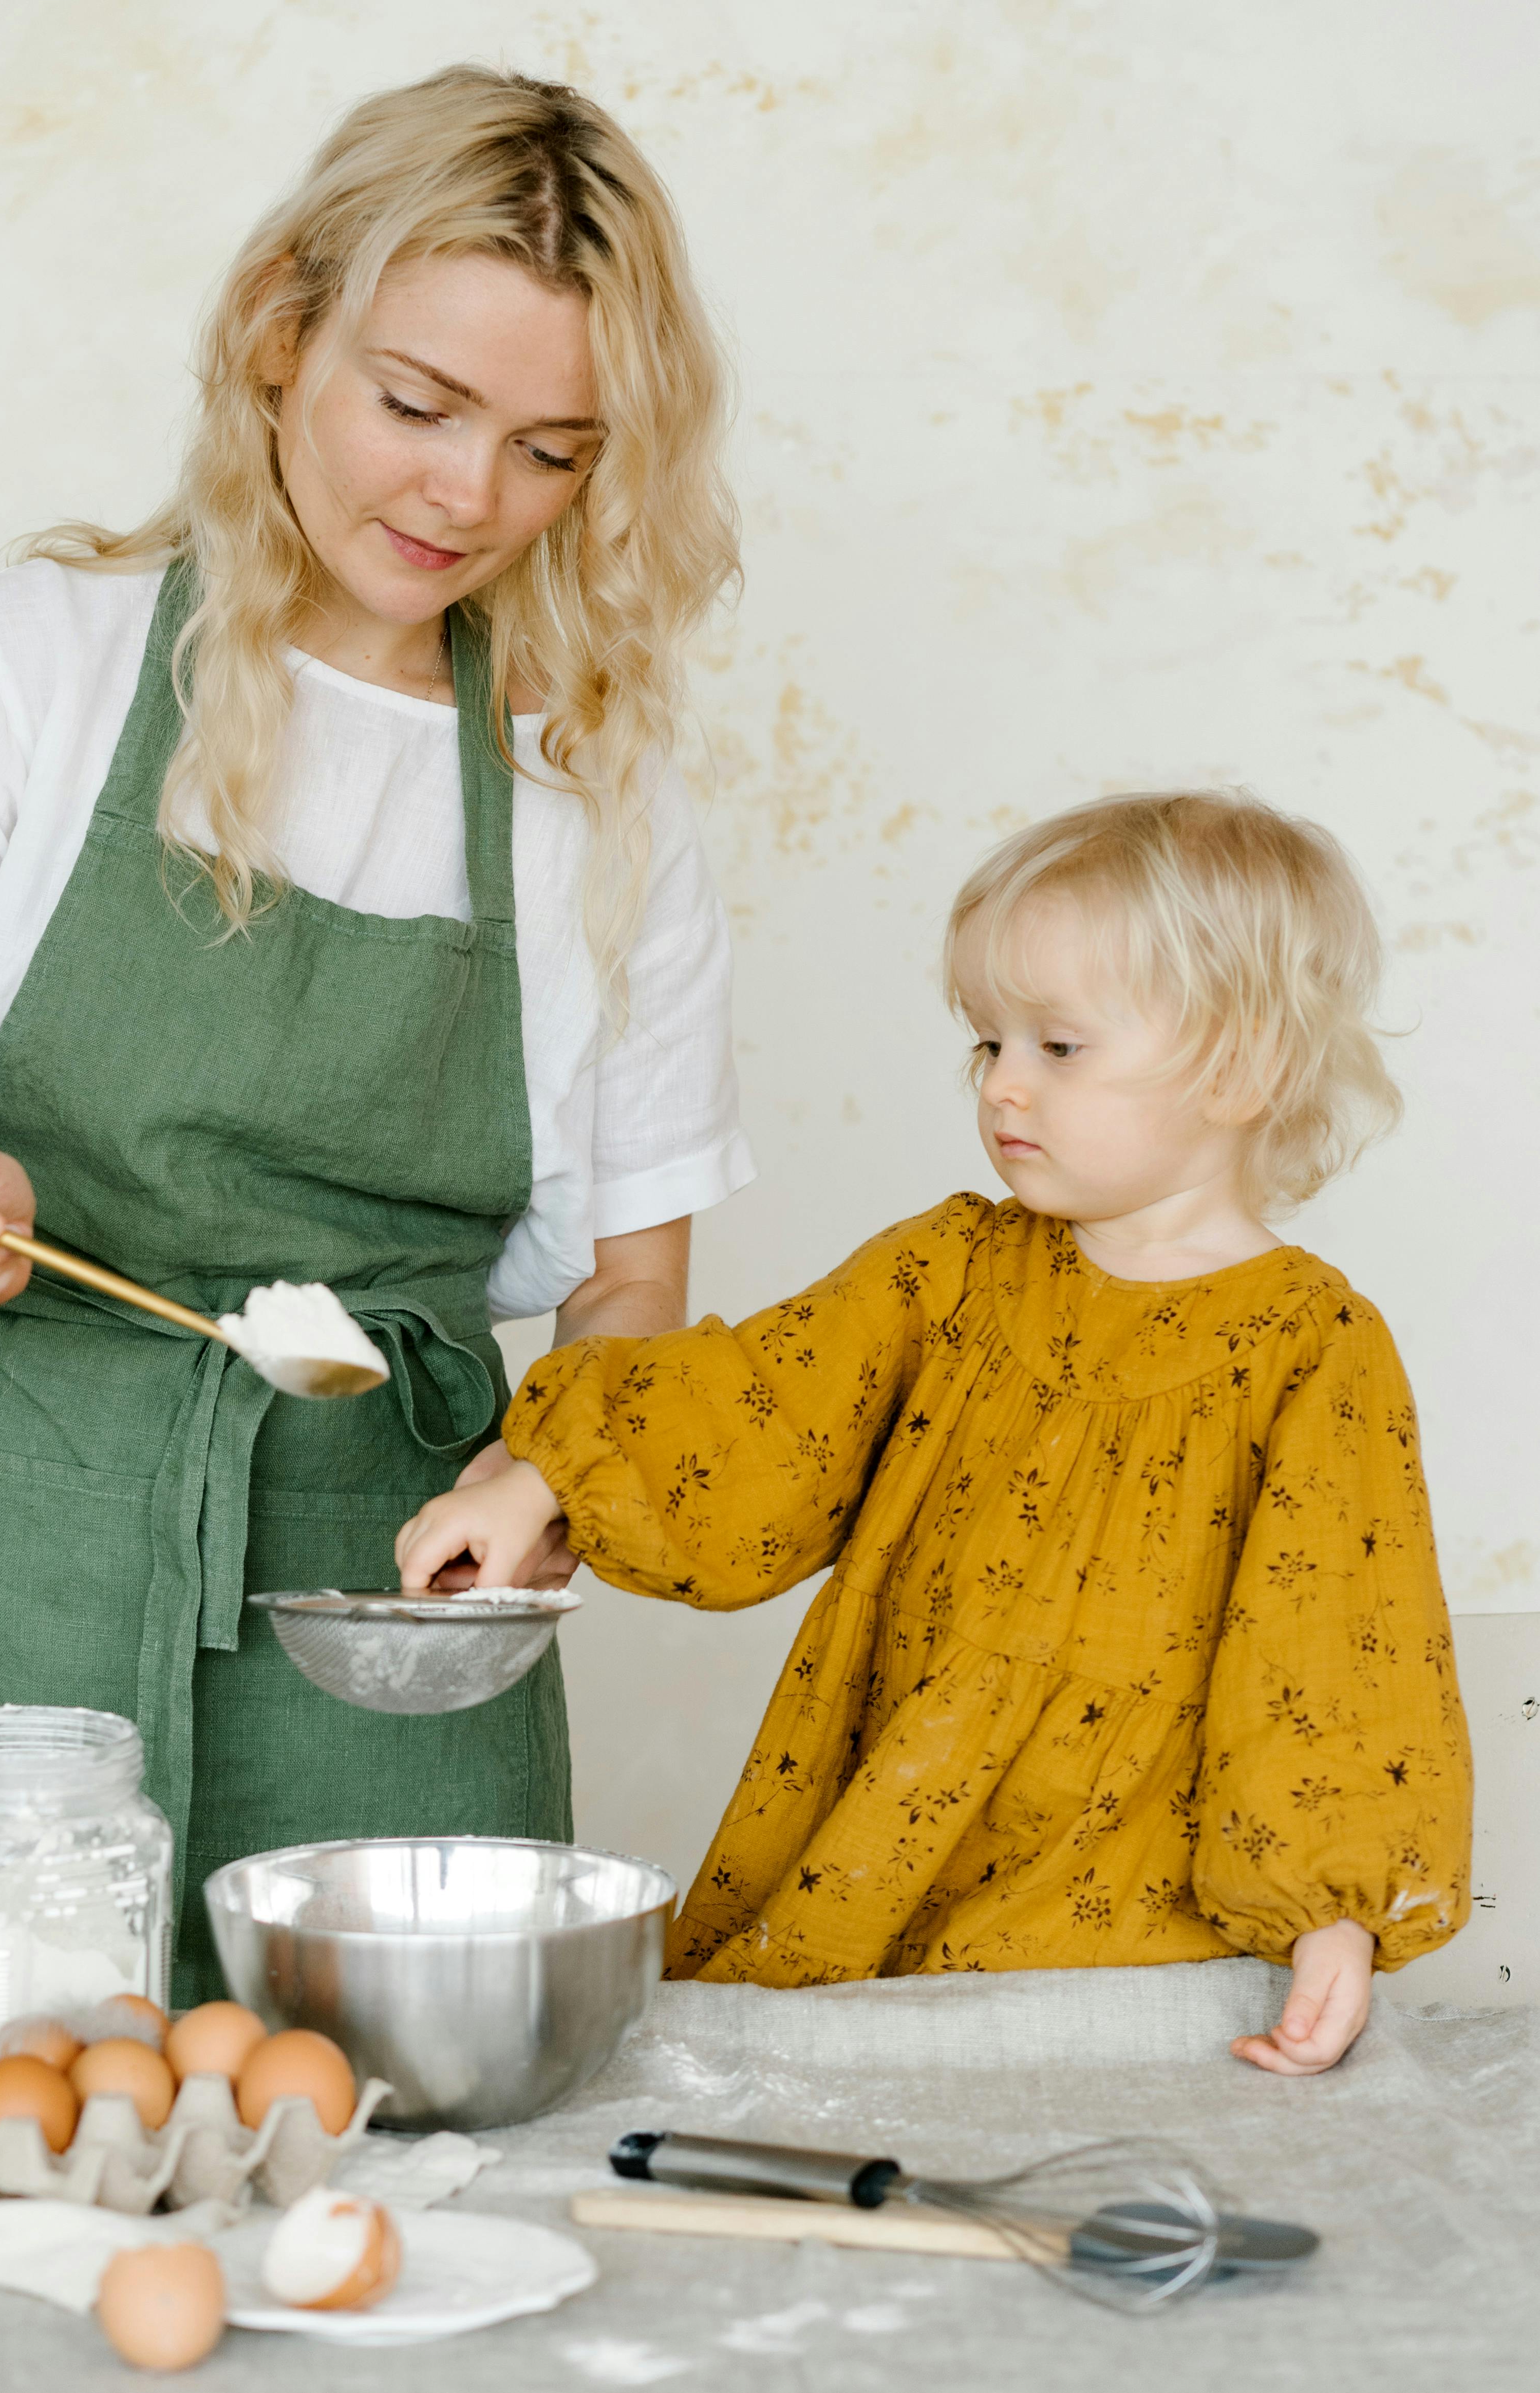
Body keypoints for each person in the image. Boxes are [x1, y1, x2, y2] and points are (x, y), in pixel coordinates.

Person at [0, 66, 752, 2011]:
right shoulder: (32, 663)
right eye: (418, 406)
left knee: (391, 2186)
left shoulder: (593, 801)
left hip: (385, 1619)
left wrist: (550, 1483)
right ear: (284, 330)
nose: (466, 497)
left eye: (551, 449)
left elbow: (633, 1292)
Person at [397, 791, 1472, 2074]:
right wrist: (540, 1473)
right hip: (887, 1849)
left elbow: (1340, 1645)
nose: (1003, 1085)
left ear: (1238, 1067)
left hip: (1130, 1904)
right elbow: (758, 1410)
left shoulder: (1308, 1347)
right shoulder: (950, 1271)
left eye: (1058, 1047)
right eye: (988, 1044)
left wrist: (1331, 1916)